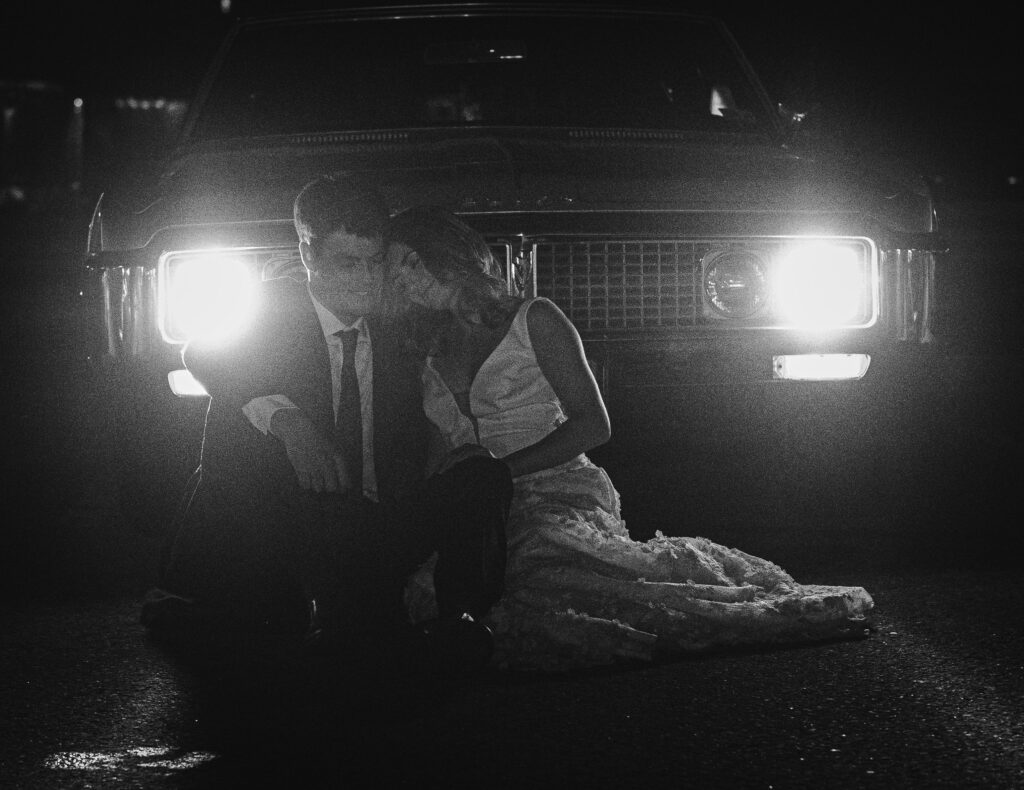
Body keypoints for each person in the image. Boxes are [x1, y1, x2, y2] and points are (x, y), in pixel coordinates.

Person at [387, 206, 874, 672]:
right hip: (474, 505)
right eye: (395, 269)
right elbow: (438, 450)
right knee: (426, 592)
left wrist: (497, 473)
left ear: (445, 255)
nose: (404, 279)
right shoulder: (421, 345)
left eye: (411, 261)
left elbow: (594, 425)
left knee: (551, 583)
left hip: (550, 486)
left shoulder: (534, 318)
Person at [142, 176, 511, 670]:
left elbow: (437, 385)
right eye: (346, 263)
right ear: (308, 255)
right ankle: (342, 628)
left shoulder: (393, 314)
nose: (363, 278)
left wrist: (461, 445)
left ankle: (457, 620)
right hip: (291, 529)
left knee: (483, 475)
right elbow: (202, 351)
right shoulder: (272, 306)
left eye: (374, 261)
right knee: (341, 633)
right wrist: (290, 421)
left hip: (377, 522)